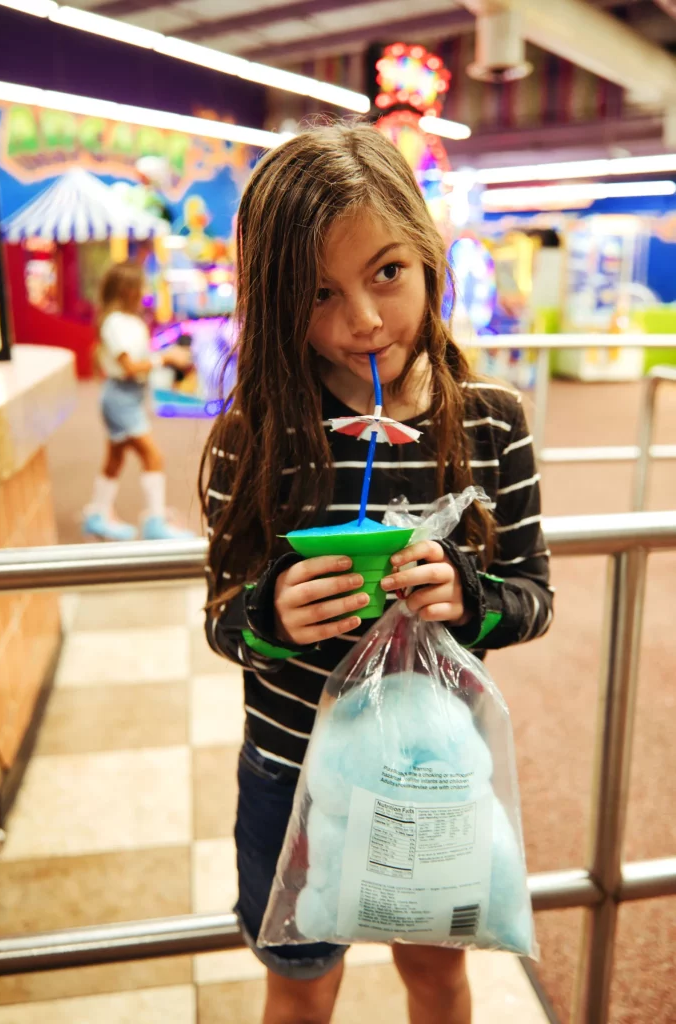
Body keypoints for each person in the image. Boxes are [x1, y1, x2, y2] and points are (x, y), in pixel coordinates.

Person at [200, 123, 554, 1024]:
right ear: (273, 300)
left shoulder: (491, 422)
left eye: (386, 273)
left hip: (431, 772)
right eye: (318, 293)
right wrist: (270, 613)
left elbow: (532, 599)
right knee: (300, 984)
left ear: (429, 255)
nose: (361, 319)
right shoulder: (252, 437)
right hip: (291, 768)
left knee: (436, 977)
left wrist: (465, 600)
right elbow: (219, 621)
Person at [83, 260, 195, 542]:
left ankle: (98, 513)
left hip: (128, 395)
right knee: (153, 457)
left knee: (115, 458)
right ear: (127, 289)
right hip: (120, 397)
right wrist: (166, 357)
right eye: (139, 285)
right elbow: (131, 366)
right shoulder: (115, 323)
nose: (144, 290)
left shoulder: (128, 321)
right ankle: (155, 521)